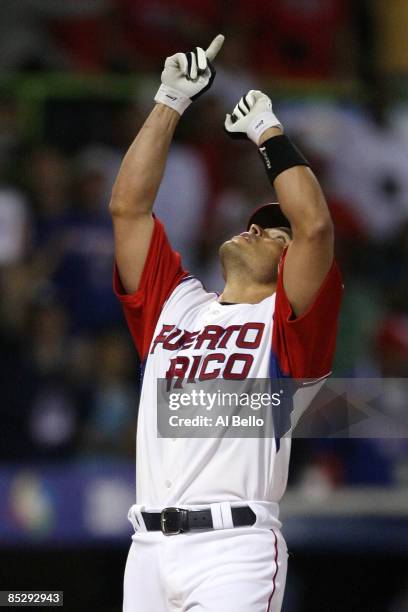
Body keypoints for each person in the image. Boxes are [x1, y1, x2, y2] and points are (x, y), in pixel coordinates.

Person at [110, 35, 342, 612]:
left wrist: (266, 130)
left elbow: (314, 227)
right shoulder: (175, 304)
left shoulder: (290, 326)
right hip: (146, 549)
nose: (258, 229)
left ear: (292, 266)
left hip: (233, 547)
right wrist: (169, 101)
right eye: (260, 223)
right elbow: (128, 209)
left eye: (274, 233)